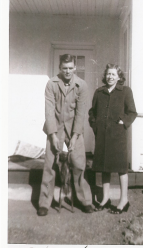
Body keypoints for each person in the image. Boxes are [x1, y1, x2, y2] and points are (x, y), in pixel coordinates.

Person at [37, 54, 93, 216]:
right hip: (54, 128)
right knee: (49, 165)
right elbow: (49, 111)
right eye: (64, 68)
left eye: (70, 68)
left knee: (78, 164)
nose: (67, 71)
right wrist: (53, 135)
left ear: (75, 68)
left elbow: (81, 113)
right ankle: (44, 203)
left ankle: (85, 201)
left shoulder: (81, 85)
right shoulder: (51, 84)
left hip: (74, 129)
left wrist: (75, 137)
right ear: (59, 68)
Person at [89, 63, 137, 214]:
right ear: (105, 75)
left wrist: (123, 121)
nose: (110, 77)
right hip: (102, 135)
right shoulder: (99, 92)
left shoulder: (125, 91)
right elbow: (92, 112)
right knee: (104, 167)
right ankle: (105, 198)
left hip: (118, 136)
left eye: (113, 74)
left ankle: (124, 200)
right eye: (108, 74)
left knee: (121, 168)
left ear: (119, 77)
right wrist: (95, 125)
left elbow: (132, 112)